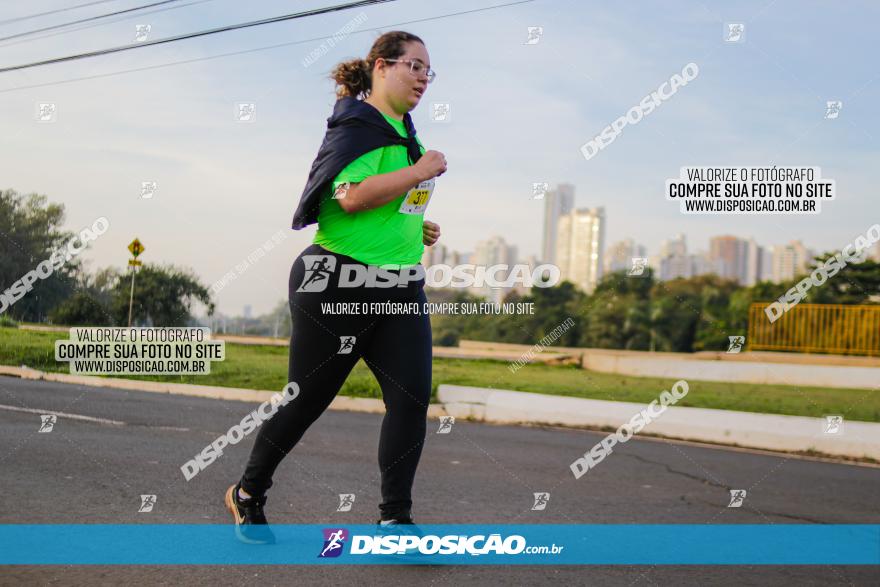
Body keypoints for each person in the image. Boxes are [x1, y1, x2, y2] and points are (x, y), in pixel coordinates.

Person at [225, 30, 446, 544]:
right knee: (307, 400)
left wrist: (416, 226)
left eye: (427, 71)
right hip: (335, 282)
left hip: (397, 286)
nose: (422, 79)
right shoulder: (357, 125)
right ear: (381, 67)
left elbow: (386, 200)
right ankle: (247, 493)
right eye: (413, 66)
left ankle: (395, 520)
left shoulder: (403, 131)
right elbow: (348, 197)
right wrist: (419, 170)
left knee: (411, 399)